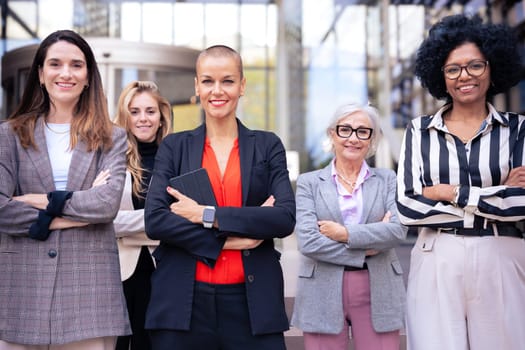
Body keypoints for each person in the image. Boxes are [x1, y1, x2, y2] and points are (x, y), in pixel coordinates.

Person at [143, 45, 296, 350]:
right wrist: (236, 237)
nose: (217, 90)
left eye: (227, 81)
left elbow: (283, 217)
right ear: (197, 87)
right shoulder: (175, 147)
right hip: (183, 305)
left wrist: (206, 215)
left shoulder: (267, 146)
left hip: (252, 305)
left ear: (242, 86)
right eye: (208, 81)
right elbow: (156, 220)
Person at [396, 14, 525, 350]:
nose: (464, 76)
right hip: (437, 253)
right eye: (453, 69)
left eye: (475, 66)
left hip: (502, 252)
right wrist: (494, 198)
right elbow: (408, 206)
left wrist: (453, 193)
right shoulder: (419, 131)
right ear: (441, 75)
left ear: (492, 67)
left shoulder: (518, 130)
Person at [0, 30, 130, 349]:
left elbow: (105, 205)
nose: (66, 73)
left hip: (89, 286)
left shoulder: (112, 137)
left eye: (76, 65)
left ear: (88, 77)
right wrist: (71, 215)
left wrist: (40, 201)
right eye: (55, 64)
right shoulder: (9, 135)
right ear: (41, 74)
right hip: (21, 284)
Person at [291, 102, 407, 350]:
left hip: (379, 285)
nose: (353, 138)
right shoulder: (309, 183)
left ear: (371, 139)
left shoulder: (388, 179)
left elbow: (397, 230)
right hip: (321, 286)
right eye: (345, 129)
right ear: (332, 133)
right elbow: (309, 241)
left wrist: (343, 234)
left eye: (363, 131)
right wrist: (366, 247)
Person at [113, 81, 172, 350]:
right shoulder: (109, 158)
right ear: (125, 117)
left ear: (161, 117)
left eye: (150, 111)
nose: (143, 119)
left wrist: (130, 229)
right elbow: (106, 219)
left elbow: (186, 219)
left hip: (167, 269)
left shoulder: (177, 158)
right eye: (134, 111)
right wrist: (161, 220)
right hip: (119, 272)